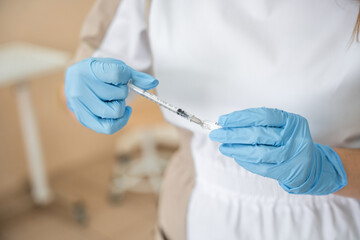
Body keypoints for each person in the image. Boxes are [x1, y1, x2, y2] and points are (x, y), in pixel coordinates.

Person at [64, 0, 360, 239]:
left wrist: (331, 169)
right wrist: (89, 89)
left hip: (340, 219)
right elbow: (90, 70)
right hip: (197, 214)